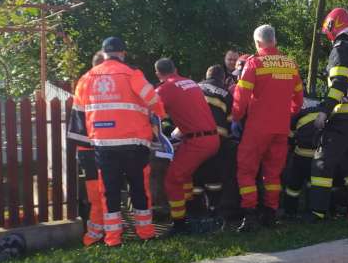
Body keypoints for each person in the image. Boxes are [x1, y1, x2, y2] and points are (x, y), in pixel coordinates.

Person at [70, 37, 165, 246]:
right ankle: (146, 233)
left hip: (103, 145)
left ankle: (113, 239)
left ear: (103, 53)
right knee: (139, 188)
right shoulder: (132, 74)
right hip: (135, 143)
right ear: (122, 53)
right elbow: (153, 100)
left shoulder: (86, 78)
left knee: (109, 192)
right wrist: (160, 114)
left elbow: (78, 115)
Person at [232, 24, 303, 231]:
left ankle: (250, 215)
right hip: (281, 127)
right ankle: (270, 214)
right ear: (275, 40)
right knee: (273, 173)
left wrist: (235, 117)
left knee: (246, 170)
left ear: (257, 42)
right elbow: (298, 98)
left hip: (257, 128)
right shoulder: (290, 64)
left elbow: (241, 96)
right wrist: (287, 114)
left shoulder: (254, 63)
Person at [307, 7, 348, 219]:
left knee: (322, 162)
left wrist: (324, 111)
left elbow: (338, 84)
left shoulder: (340, 50)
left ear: (332, 26)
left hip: (344, 117)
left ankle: (317, 212)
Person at [155, 58, 220, 234]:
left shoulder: (164, 89)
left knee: (172, 179)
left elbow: (151, 113)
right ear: (175, 69)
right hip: (210, 137)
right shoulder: (190, 83)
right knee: (184, 175)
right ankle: (192, 211)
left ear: (158, 73)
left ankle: (180, 224)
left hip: (197, 142)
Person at [68, 51, 108, 246]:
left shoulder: (84, 81)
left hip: (86, 147)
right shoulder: (103, 82)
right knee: (104, 192)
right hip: (101, 146)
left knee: (96, 193)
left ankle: (96, 233)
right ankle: (100, 232)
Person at [194, 64, 234, 217]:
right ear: (222, 78)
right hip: (217, 141)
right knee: (213, 175)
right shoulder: (226, 94)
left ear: (207, 75)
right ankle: (214, 209)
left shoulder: (194, 88)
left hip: (195, 138)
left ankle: (196, 209)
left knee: (196, 174)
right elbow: (230, 121)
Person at [283, 95, 322, 218]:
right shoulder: (320, 105)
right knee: (313, 184)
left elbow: (290, 134)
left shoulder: (295, 107)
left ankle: (290, 211)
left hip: (301, 155)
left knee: (293, 186)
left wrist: (291, 144)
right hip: (319, 155)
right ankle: (311, 210)